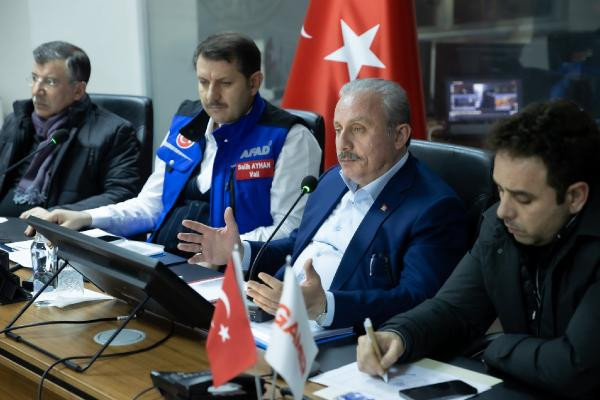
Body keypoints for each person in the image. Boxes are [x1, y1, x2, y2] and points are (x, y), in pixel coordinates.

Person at [178, 78, 469, 329]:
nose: (343, 144)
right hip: (274, 317)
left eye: (358, 129)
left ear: (399, 135)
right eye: (338, 129)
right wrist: (240, 252)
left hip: (342, 337)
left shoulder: (434, 208)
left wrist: (324, 306)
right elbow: (297, 245)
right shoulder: (331, 180)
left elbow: (418, 300)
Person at [357, 100, 600, 398]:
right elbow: (454, 309)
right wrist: (399, 335)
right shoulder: (501, 228)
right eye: (500, 190)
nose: (503, 211)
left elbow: (575, 368)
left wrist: (495, 347)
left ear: (575, 197)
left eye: (523, 198)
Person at [32, 33, 321, 252]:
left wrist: (231, 248)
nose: (211, 96)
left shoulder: (289, 137)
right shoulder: (186, 122)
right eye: (203, 82)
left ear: (254, 82)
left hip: (233, 276)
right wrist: (86, 217)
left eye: (225, 83)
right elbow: (151, 205)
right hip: (161, 261)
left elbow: (289, 230)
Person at [0, 41, 140, 218]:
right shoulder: (17, 121)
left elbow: (122, 194)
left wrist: (57, 214)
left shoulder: (115, 132)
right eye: (35, 78)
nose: (36, 90)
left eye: (50, 82)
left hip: (54, 229)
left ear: (78, 91)